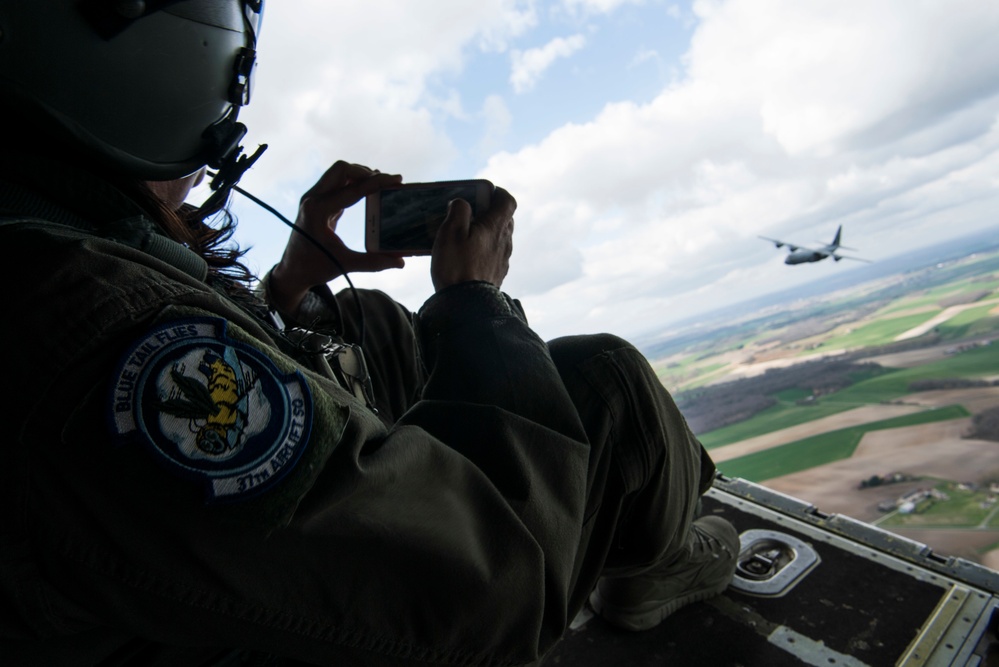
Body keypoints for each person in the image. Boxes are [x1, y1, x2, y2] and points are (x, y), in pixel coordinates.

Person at [0, 1, 738, 665]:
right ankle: (656, 565)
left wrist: (290, 285)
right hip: (370, 622)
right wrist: (474, 298)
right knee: (606, 381)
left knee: (366, 321)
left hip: (183, 601)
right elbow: (488, 586)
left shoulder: (44, 241)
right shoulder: (100, 333)